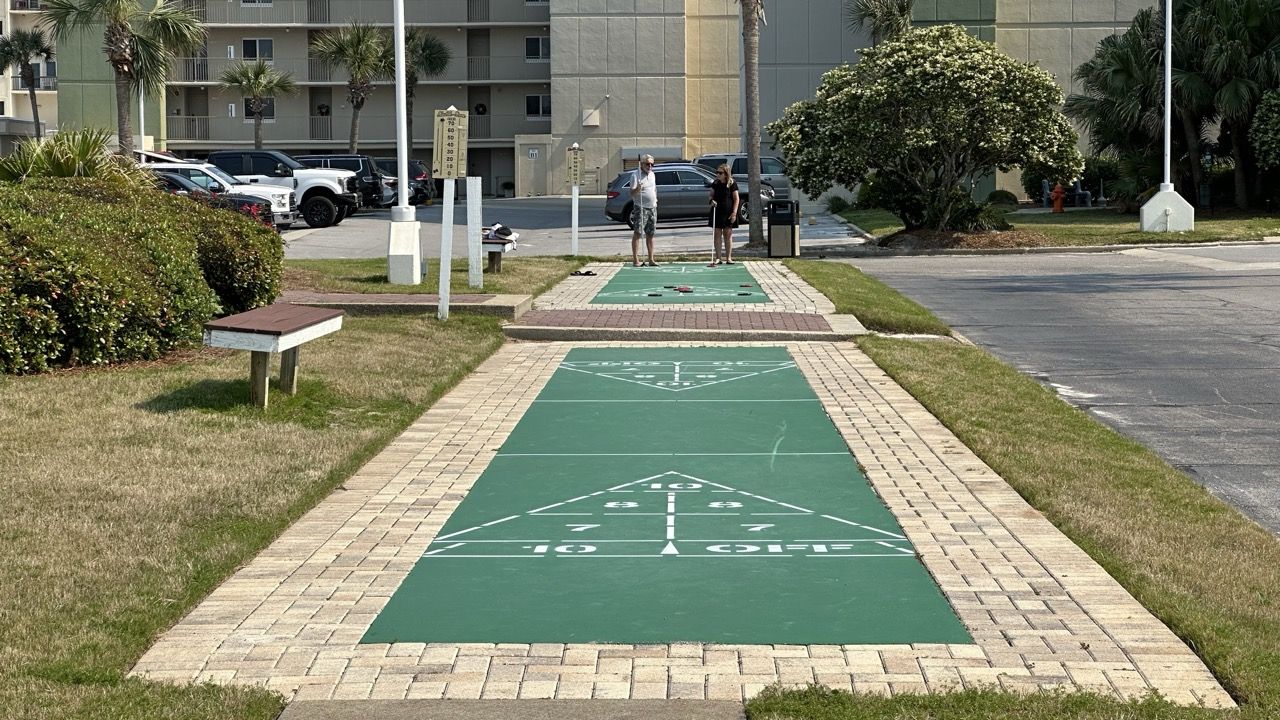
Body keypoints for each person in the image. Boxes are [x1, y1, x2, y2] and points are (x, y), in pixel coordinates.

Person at [707, 164, 740, 266]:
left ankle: (728, 258)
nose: (718, 174)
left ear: (726, 174)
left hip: (728, 212)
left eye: (720, 173)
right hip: (717, 211)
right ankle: (718, 258)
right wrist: (711, 201)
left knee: (728, 234)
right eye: (717, 172)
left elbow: (736, 199)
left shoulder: (732, 183)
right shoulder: (715, 183)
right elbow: (710, 195)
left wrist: (734, 213)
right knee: (717, 234)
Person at [629, 155, 659, 267]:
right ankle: (636, 260)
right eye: (647, 164)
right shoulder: (635, 175)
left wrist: (655, 199)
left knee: (650, 234)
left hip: (652, 207)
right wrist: (638, 189)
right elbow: (631, 193)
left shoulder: (652, 174)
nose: (650, 166)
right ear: (641, 164)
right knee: (638, 233)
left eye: (652, 164)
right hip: (640, 207)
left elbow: (654, 188)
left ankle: (651, 259)